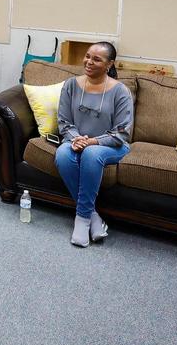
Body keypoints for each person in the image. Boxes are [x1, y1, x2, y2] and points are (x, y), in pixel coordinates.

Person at [53, 42, 134, 248]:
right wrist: (77, 138)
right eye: (87, 56)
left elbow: (122, 132)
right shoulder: (71, 85)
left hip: (110, 146)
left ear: (109, 64)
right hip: (77, 141)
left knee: (91, 154)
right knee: (63, 154)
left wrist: (92, 142)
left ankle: (81, 220)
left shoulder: (120, 91)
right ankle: (94, 217)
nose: (89, 62)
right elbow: (63, 122)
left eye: (96, 59)